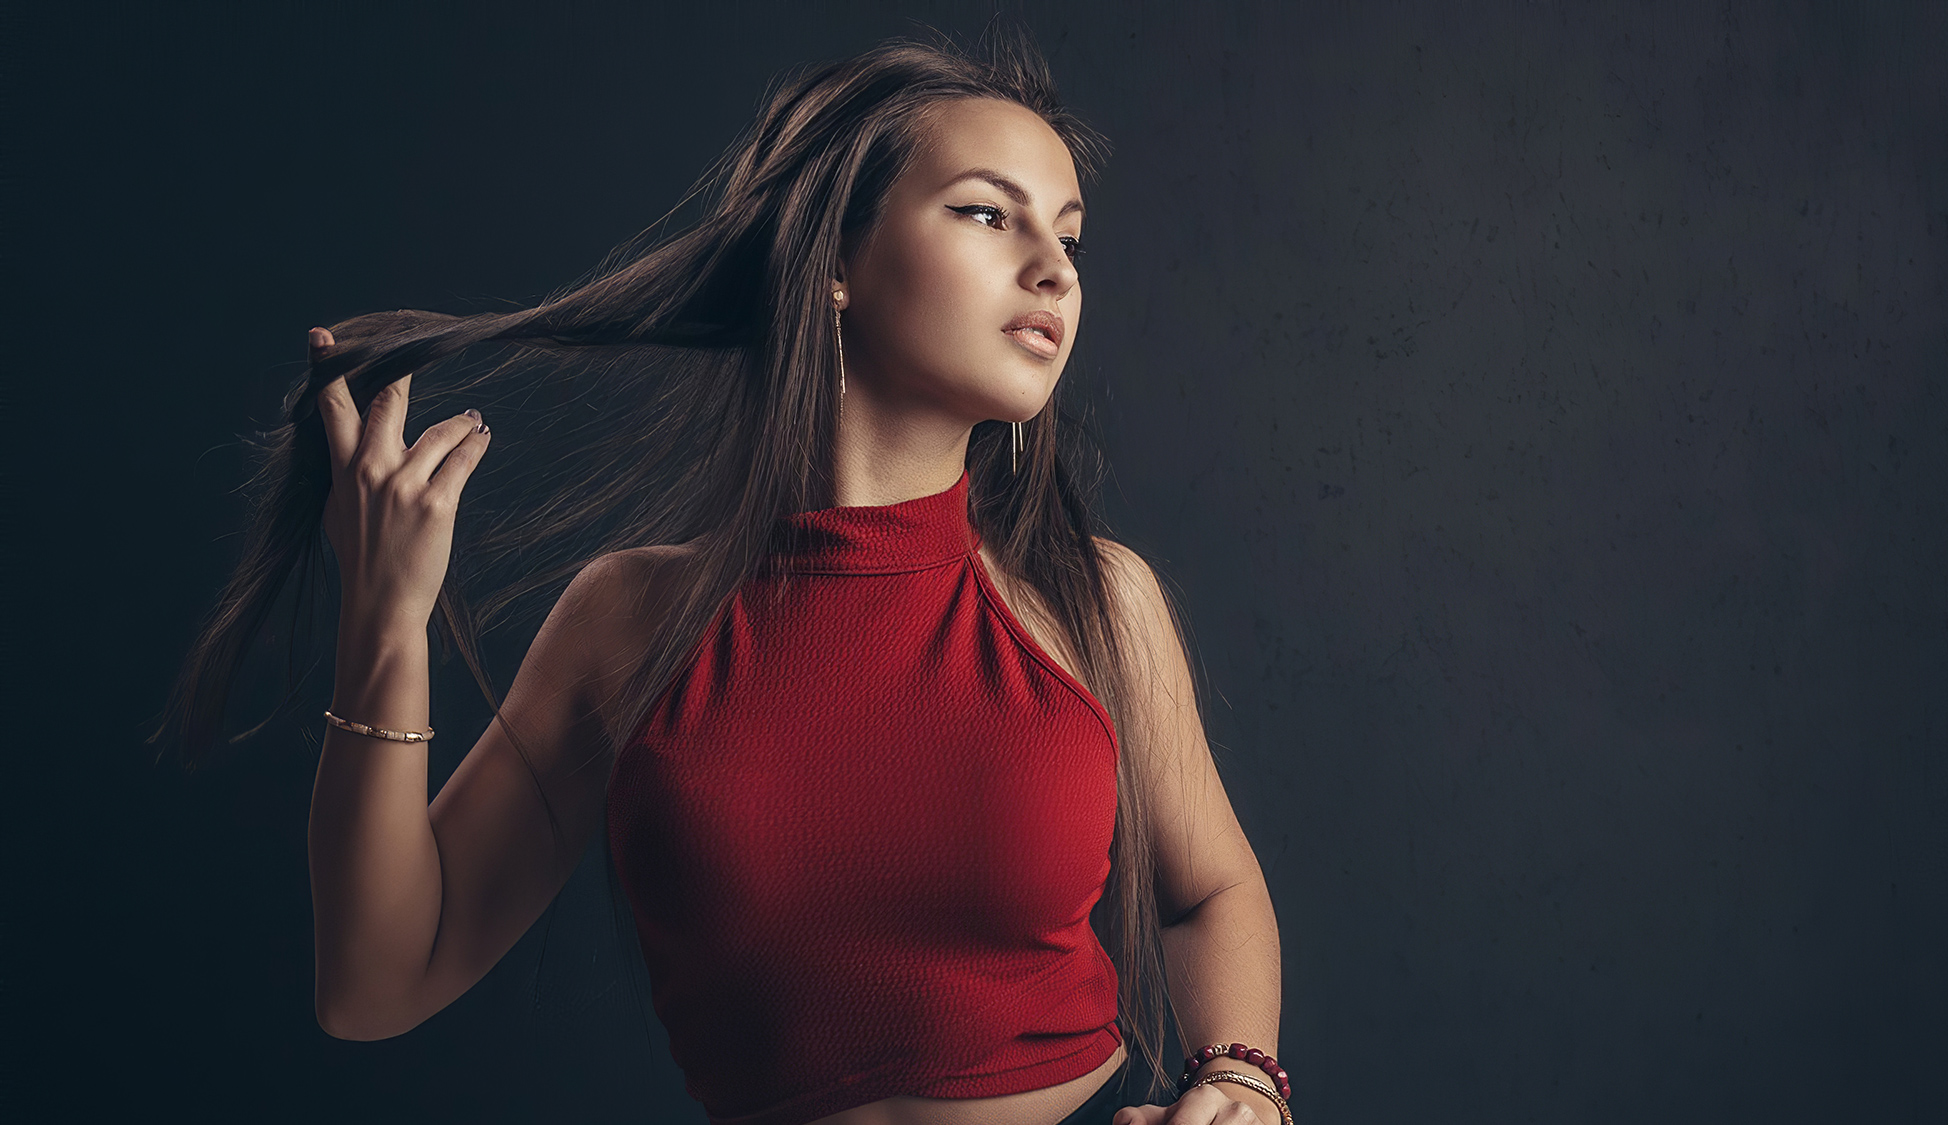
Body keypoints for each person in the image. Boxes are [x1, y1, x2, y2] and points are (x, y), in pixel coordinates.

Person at [155, 30, 1286, 1125]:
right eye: (987, 213)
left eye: (1070, 238)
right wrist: (385, 623)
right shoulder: (629, 622)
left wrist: (1240, 1083)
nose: (1052, 269)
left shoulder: (1094, 603)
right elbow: (374, 983)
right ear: (836, 260)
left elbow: (1209, 893)